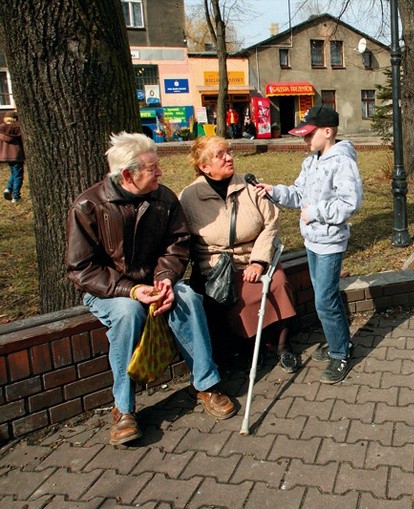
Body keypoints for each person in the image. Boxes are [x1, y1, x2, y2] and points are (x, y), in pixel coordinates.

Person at [66, 132, 235, 446]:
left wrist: (166, 280)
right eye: (153, 168)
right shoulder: (88, 206)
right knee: (129, 313)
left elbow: (177, 245)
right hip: (109, 291)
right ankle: (124, 409)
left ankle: (205, 384)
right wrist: (131, 291)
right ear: (128, 175)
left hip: (155, 282)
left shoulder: (164, 198)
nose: (161, 172)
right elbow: (81, 269)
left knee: (188, 298)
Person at [254, 105, 362, 384]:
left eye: (308, 134)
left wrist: (315, 212)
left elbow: (351, 203)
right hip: (312, 240)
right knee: (326, 296)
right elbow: (299, 193)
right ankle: (339, 341)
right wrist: (274, 191)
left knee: (324, 300)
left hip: (330, 242)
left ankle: (341, 352)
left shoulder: (342, 162)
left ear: (327, 132)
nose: (304, 140)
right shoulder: (311, 161)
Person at [179, 136, 299, 373]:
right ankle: (250, 348)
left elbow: (271, 223)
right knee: (240, 296)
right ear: (204, 167)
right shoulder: (189, 197)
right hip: (218, 264)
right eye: (220, 155)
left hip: (256, 255)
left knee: (279, 284)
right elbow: (184, 238)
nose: (229, 158)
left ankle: (284, 346)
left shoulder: (249, 186)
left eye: (229, 152)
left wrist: (258, 260)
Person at [0, 111, 24, 203]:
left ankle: (8, 189)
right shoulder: (18, 129)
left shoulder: (1, 128)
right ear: (15, 119)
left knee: (13, 173)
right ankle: (16, 196)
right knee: (18, 175)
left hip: (6, 155)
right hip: (17, 155)